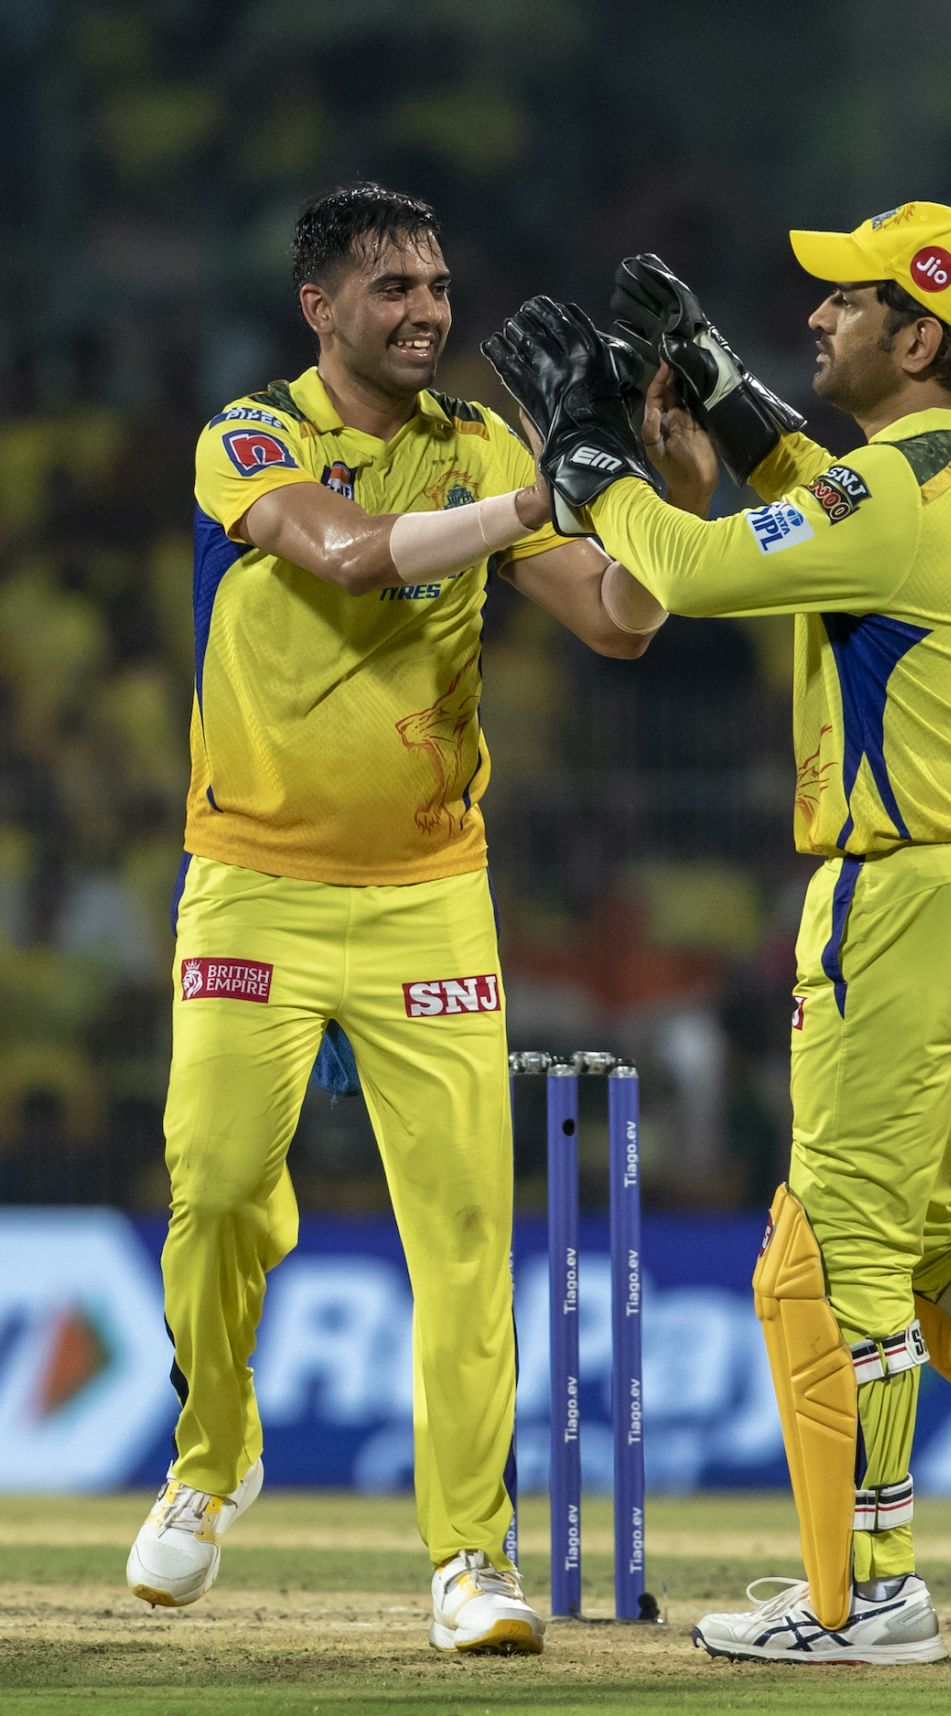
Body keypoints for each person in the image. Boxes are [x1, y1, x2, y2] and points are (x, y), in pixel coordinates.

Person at [483, 201, 951, 1666]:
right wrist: (717, 383)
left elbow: (691, 577)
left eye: (845, 301)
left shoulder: (901, 489)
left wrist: (583, 455)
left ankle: (862, 1597)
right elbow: (842, 494)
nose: (815, 318)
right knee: (934, 1230)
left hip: (902, 898)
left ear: (919, 335)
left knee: (820, 1262)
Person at [125, 181, 671, 1656]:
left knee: (464, 1231)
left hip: (432, 896)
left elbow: (621, 621)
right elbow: (353, 557)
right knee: (221, 1189)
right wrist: (539, 494)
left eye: (438, 284)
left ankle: (469, 1559)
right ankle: (212, 1463)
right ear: (321, 307)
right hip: (251, 877)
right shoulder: (248, 436)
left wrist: (643, 481)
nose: (429, 309)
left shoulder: (484, 441)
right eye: (394, 288)